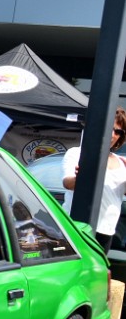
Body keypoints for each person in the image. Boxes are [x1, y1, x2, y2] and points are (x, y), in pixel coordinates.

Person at [61, 106, 126, 253]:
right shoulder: (76, 153)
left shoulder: (122, 162)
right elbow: (67, 183)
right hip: (76, 227)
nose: (112, 134)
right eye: (109, 128)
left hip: (106, 231)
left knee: (96, 273)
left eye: (118, 131)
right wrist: (81, 177)